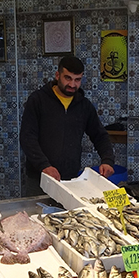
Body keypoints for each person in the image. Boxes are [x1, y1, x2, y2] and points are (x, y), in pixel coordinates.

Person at [20, 55, 114, 196]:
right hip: (39, 178)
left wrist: (107, 160)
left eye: (77, 80)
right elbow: (27, 137)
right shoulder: (37, 100)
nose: (72, 84)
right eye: (68, 78)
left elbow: (100, 135)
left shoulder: (84, 106)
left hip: (70, 180)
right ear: (58, 75)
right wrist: (44, 166)